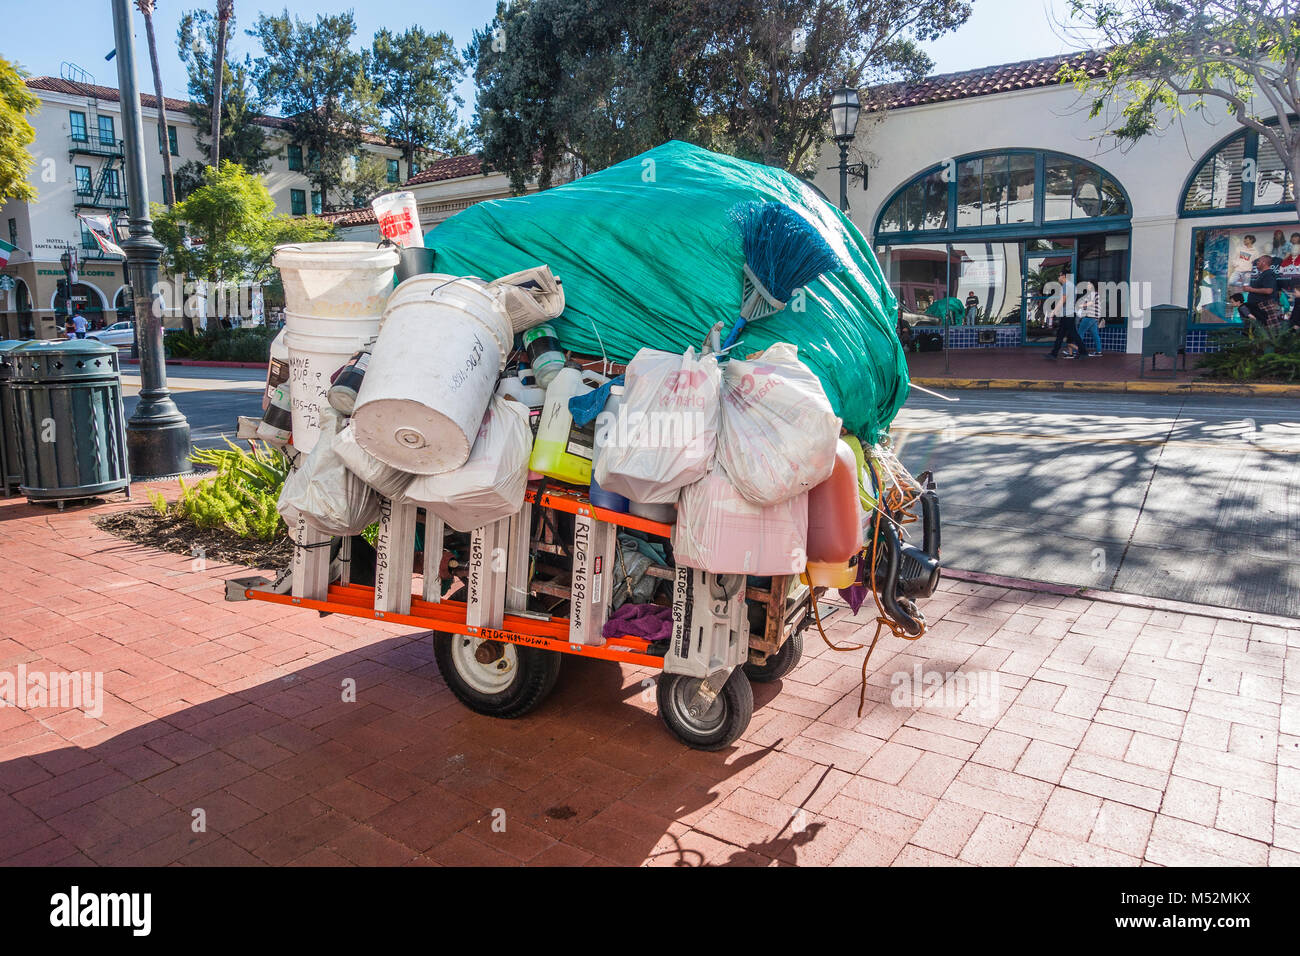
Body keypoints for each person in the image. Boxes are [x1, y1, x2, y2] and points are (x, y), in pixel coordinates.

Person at [1046, 272, 1087, 360]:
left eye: (1058, 276)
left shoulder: (1066, 286)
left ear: (1063, 276)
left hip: (1068, 314)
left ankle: (1083, 352)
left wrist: (1054, 311)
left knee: (1072, 333)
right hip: (1068, 313)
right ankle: (1054, 354)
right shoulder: (1071, 286)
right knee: (1061, 334)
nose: (1058, 278)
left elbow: (1063, 299)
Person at [1241, 255, 1285, 329]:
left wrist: (1250, 289)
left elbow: (1269, 290)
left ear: (1264, 262)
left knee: (1270, 332)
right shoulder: (1264, 274)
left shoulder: (1268, 274)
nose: (1257, 263)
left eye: (1259, 261)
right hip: (1259, 308)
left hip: (1264, 308)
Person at [1075, 281, 1104, 356]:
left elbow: (1090, 303)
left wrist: (1081, 305)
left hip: (1089, 317)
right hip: (1094, 318)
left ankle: (1079, 351)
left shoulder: (1093, 294)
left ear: (1092, 285)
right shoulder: (1096, 294)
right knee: (1095, 335)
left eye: (1088, 284)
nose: (1087, 285)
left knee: (1080, 334)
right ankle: (1099, 351)